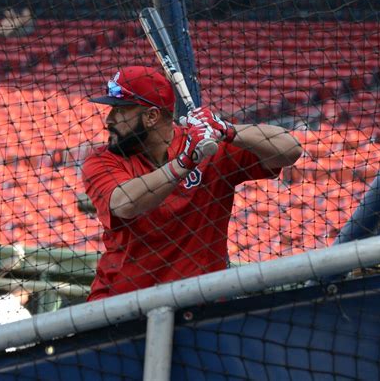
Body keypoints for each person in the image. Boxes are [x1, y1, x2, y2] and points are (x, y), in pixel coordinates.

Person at [82, 66, 303, 301]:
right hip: (123, 304)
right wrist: (184, 162)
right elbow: (125, 203)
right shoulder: (102, 160)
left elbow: (291, 150)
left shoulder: (205, 144)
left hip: (200, 304)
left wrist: (226, 129)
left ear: (151, 117)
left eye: (119, 110)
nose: (109, 120)